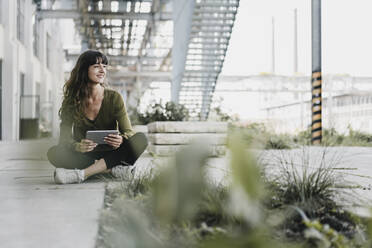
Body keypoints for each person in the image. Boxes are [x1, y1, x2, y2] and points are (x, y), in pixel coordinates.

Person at [47, 50, 148, 184]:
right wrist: (78, 146)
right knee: (54, 152)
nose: (102, 71)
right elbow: (64, 140)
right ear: (83, 70)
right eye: (96, 66)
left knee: (141, 139)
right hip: (85, 155)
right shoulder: (71, 101)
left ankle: (82, 174)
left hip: (114, 154)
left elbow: (128, 132)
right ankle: (113, 171)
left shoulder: (114, 98)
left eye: (104, 67)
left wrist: (121, 140)